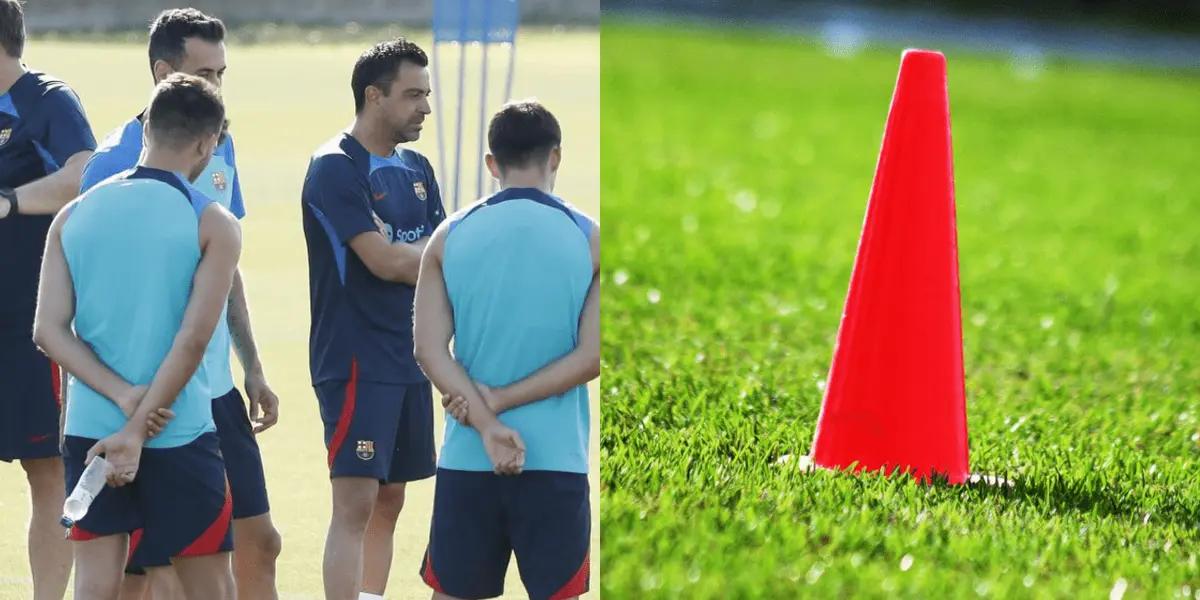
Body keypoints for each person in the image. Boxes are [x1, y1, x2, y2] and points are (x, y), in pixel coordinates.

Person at [79, 9, 281, 598]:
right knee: (149, 573)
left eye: (223, 72)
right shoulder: (111, 167)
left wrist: (254, 366)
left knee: (259, 541)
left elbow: (226, 264)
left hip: (213, 389)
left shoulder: (220, 140)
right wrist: (129, 401)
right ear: (164, 71)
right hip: (155, 399)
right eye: (205, 73)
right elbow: (98, 300)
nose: (217, 88)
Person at [33, 73, 239, 600]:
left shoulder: (73, 214)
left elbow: (48, 332)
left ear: (146, 128)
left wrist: (123, 402)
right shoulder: (213, 222)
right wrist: (142, 424)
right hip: (179, 428)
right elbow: (194, 339)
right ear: (206, 143)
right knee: (208, 587)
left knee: (95, 585)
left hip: (93, 429)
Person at [414, 99, 600, 600]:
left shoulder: (449, 235)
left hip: (468, 458)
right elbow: (591, 357)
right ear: (555, 156)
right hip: (556, 461)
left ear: (492, 164)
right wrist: (502, 401)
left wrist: (487, 420)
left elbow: (429, 351)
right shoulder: (590, 237)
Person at [300, 37, 449, 600]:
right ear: (374, 95)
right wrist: (430, 262)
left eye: (427, 95)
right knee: (356, 501)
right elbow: (384, 260)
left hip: (409, 356)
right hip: (356, 358)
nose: (425, 108)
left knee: (392, 498)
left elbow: (434, 255)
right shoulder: (335, 167)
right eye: (413, 95)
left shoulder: (418, 167)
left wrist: (428, 263)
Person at [0, 1, 96, 597]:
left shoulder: (48, 101)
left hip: (29, 323)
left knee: (48, 471)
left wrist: (9, 202)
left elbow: (84, 174)